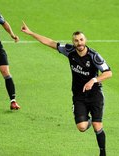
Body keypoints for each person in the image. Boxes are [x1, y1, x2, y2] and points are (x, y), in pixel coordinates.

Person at [21, 22, 112, 156]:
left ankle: (102, 153)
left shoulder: (94, 56)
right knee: (81, 127)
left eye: (81, 39)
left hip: (95, 94)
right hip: (79, 95)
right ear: (73, 42)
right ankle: (92, 119)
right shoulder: (69, 51)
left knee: (97, 126)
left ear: (85, 40)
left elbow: (108, 73)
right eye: (76, 40)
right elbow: (50, 42)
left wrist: (93, 80)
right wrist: (31, 33)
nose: (79, 43)